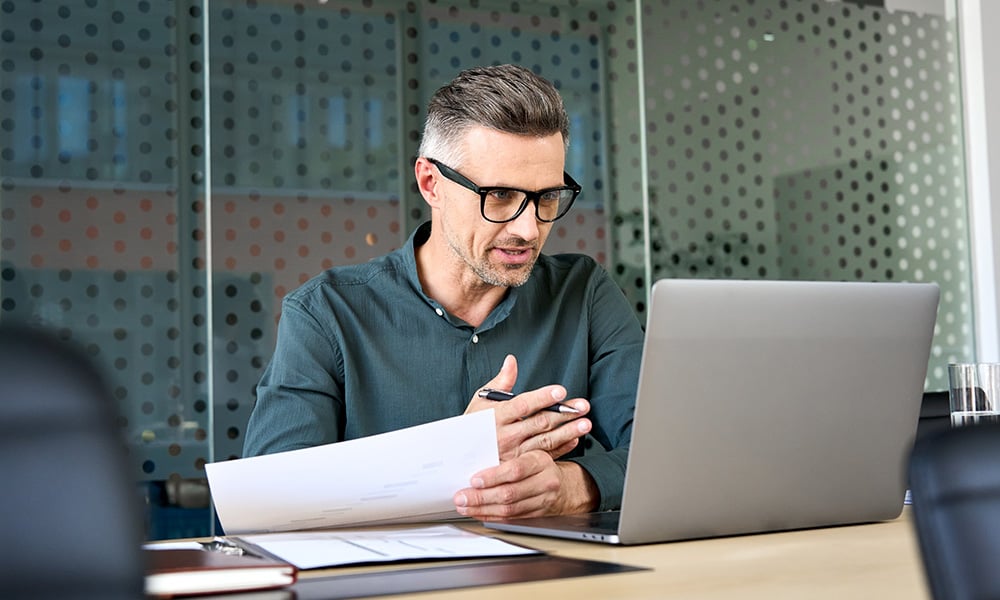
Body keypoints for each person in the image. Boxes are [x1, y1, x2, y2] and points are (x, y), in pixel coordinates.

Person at [243, 64, 644, 519]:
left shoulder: (584, 293)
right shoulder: (326, 314)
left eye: (547, 197)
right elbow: (267, 502)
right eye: (499, 196)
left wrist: (577, 485)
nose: (528, 228)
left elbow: (668, 454)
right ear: (431, 183)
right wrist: (454, 454)